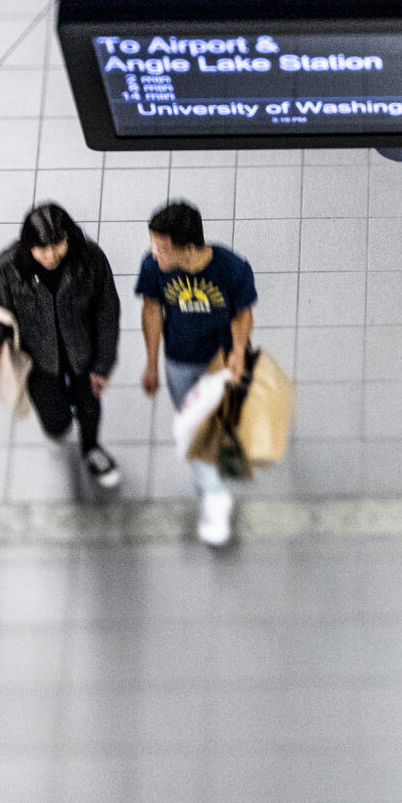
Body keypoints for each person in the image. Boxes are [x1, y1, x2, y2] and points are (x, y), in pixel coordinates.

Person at [135, 200, 257, 547]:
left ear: (187, 248)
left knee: (216, 423)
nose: (153, 254)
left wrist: (237, 352)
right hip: (180, 362)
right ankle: (209, 478)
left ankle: (213, 493)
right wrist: (151, 362)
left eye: (161, 248)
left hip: (219, 363)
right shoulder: (154, 268)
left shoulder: (231, 269)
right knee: (193, 425)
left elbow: (242, 314)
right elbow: (153, 310)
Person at [0, 202, 122, 490]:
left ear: (68, 237)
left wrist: (103, 363)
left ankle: (91, 448)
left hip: (84, 353)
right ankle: (61, 425)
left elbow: (107, 311)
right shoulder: (7, 268)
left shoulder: (90, 259)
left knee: (89, 405)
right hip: (38, 357)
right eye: (41, 249)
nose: (51, 255)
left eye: (57, 244)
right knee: (54, 420)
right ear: (28, 246)